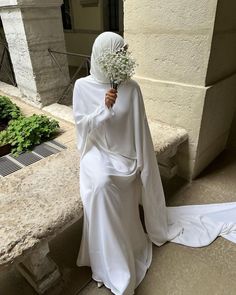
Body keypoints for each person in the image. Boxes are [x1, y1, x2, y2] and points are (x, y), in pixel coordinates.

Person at [72, 32, 236, 295]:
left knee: (112, 185)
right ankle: (105, 261)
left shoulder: (132, 88)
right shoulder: (82, 86)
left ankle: (126, 250)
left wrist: (141, 162)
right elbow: (81, 129)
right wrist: (103, 110)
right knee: (101, 185)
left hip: (124, 157)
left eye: (123, 52)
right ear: (103, 55)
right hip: (97, 153)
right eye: (117, 53)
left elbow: (140, 130)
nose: (123, 57)